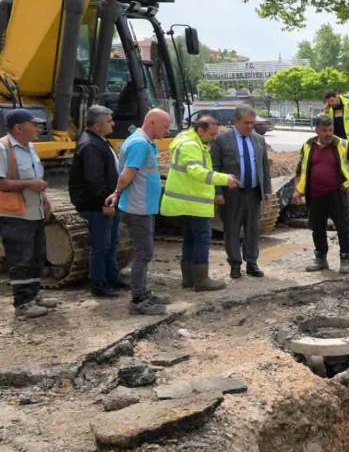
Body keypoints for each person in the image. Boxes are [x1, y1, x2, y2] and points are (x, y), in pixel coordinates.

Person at [160, 114, 238, 291]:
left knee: (190, 239)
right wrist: (224, 179)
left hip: (187, 202)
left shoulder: (190, 142)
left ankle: (189, 279)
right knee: (202, 238)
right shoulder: (191, 145)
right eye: (211, 134)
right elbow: (197, 171)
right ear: (200, 130)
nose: (214, 138)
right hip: (193, 203)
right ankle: (201, 280)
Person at [106, 108, 172, 315]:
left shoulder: (144, 142)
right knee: (144, 253)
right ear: (151, 122)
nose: (168, 130)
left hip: (143, 206)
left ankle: (143, 292)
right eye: (165, 125)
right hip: (138, 207)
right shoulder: (140, 144)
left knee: (145, 252)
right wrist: (116, 193)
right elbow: (127, 175)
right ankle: (138, 299)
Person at [292, 115, 349, 274]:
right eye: (324, 130)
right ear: (316, 130)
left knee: (342, 228)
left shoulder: (342, 145)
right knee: (317, 228)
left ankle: (345, 259)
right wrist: (298, 190)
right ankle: (320, 259)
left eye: (331, 130)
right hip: (314, 195)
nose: (328, 133)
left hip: (336, 195)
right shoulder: (308, 146)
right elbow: (300, 170)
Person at [0, 109, 56, 319]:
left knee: (36, 256)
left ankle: (34, 295)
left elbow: (37, 180)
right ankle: (23, 304)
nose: (38, 128)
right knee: (21, 258)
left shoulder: (30, 148)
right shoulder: (3, 148)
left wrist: (45, 200)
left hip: (35, 212)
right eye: (33, 125)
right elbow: (2, 182)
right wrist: (31, 184)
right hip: (15, 214)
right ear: (19, 128)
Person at [210, 105, 271, 279]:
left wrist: (266, 190)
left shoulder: (259, 140)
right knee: (232, 229)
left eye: (252, 123)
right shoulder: (222, 140)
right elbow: (214, 167)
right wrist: (218, 192)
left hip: (253, 192)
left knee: (252, 229)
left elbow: (264, 167)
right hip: (231, 194)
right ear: (235, 122)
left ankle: (252, 263)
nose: (250, 126)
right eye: (246, 123)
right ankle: (235, 264)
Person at [69, 105, 123, 298]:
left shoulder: (99, 141)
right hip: (97, 205)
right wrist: (105, 203)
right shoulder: (91, 145)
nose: (113, 124)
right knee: (100, 246)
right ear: (98, 125)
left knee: (111, 243)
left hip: (108, 202)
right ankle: (99, 284)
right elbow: (94, 179)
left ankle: (111, 277)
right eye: (109, 121)